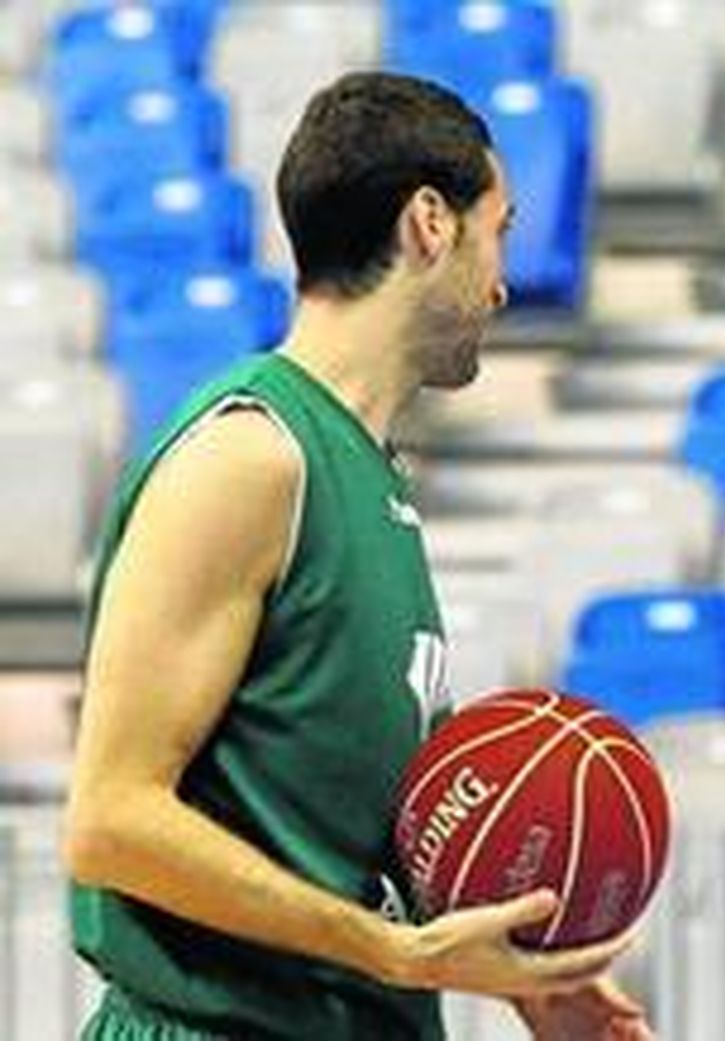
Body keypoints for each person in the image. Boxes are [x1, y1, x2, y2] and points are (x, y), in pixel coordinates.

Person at [64, 71, 651, 1040]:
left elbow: (340, 829)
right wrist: (394, 952)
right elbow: (111, 822)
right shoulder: (252, 455)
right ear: (429, 223)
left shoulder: (364, 474)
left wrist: (521, 979)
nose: (503, 280)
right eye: (497, 228)